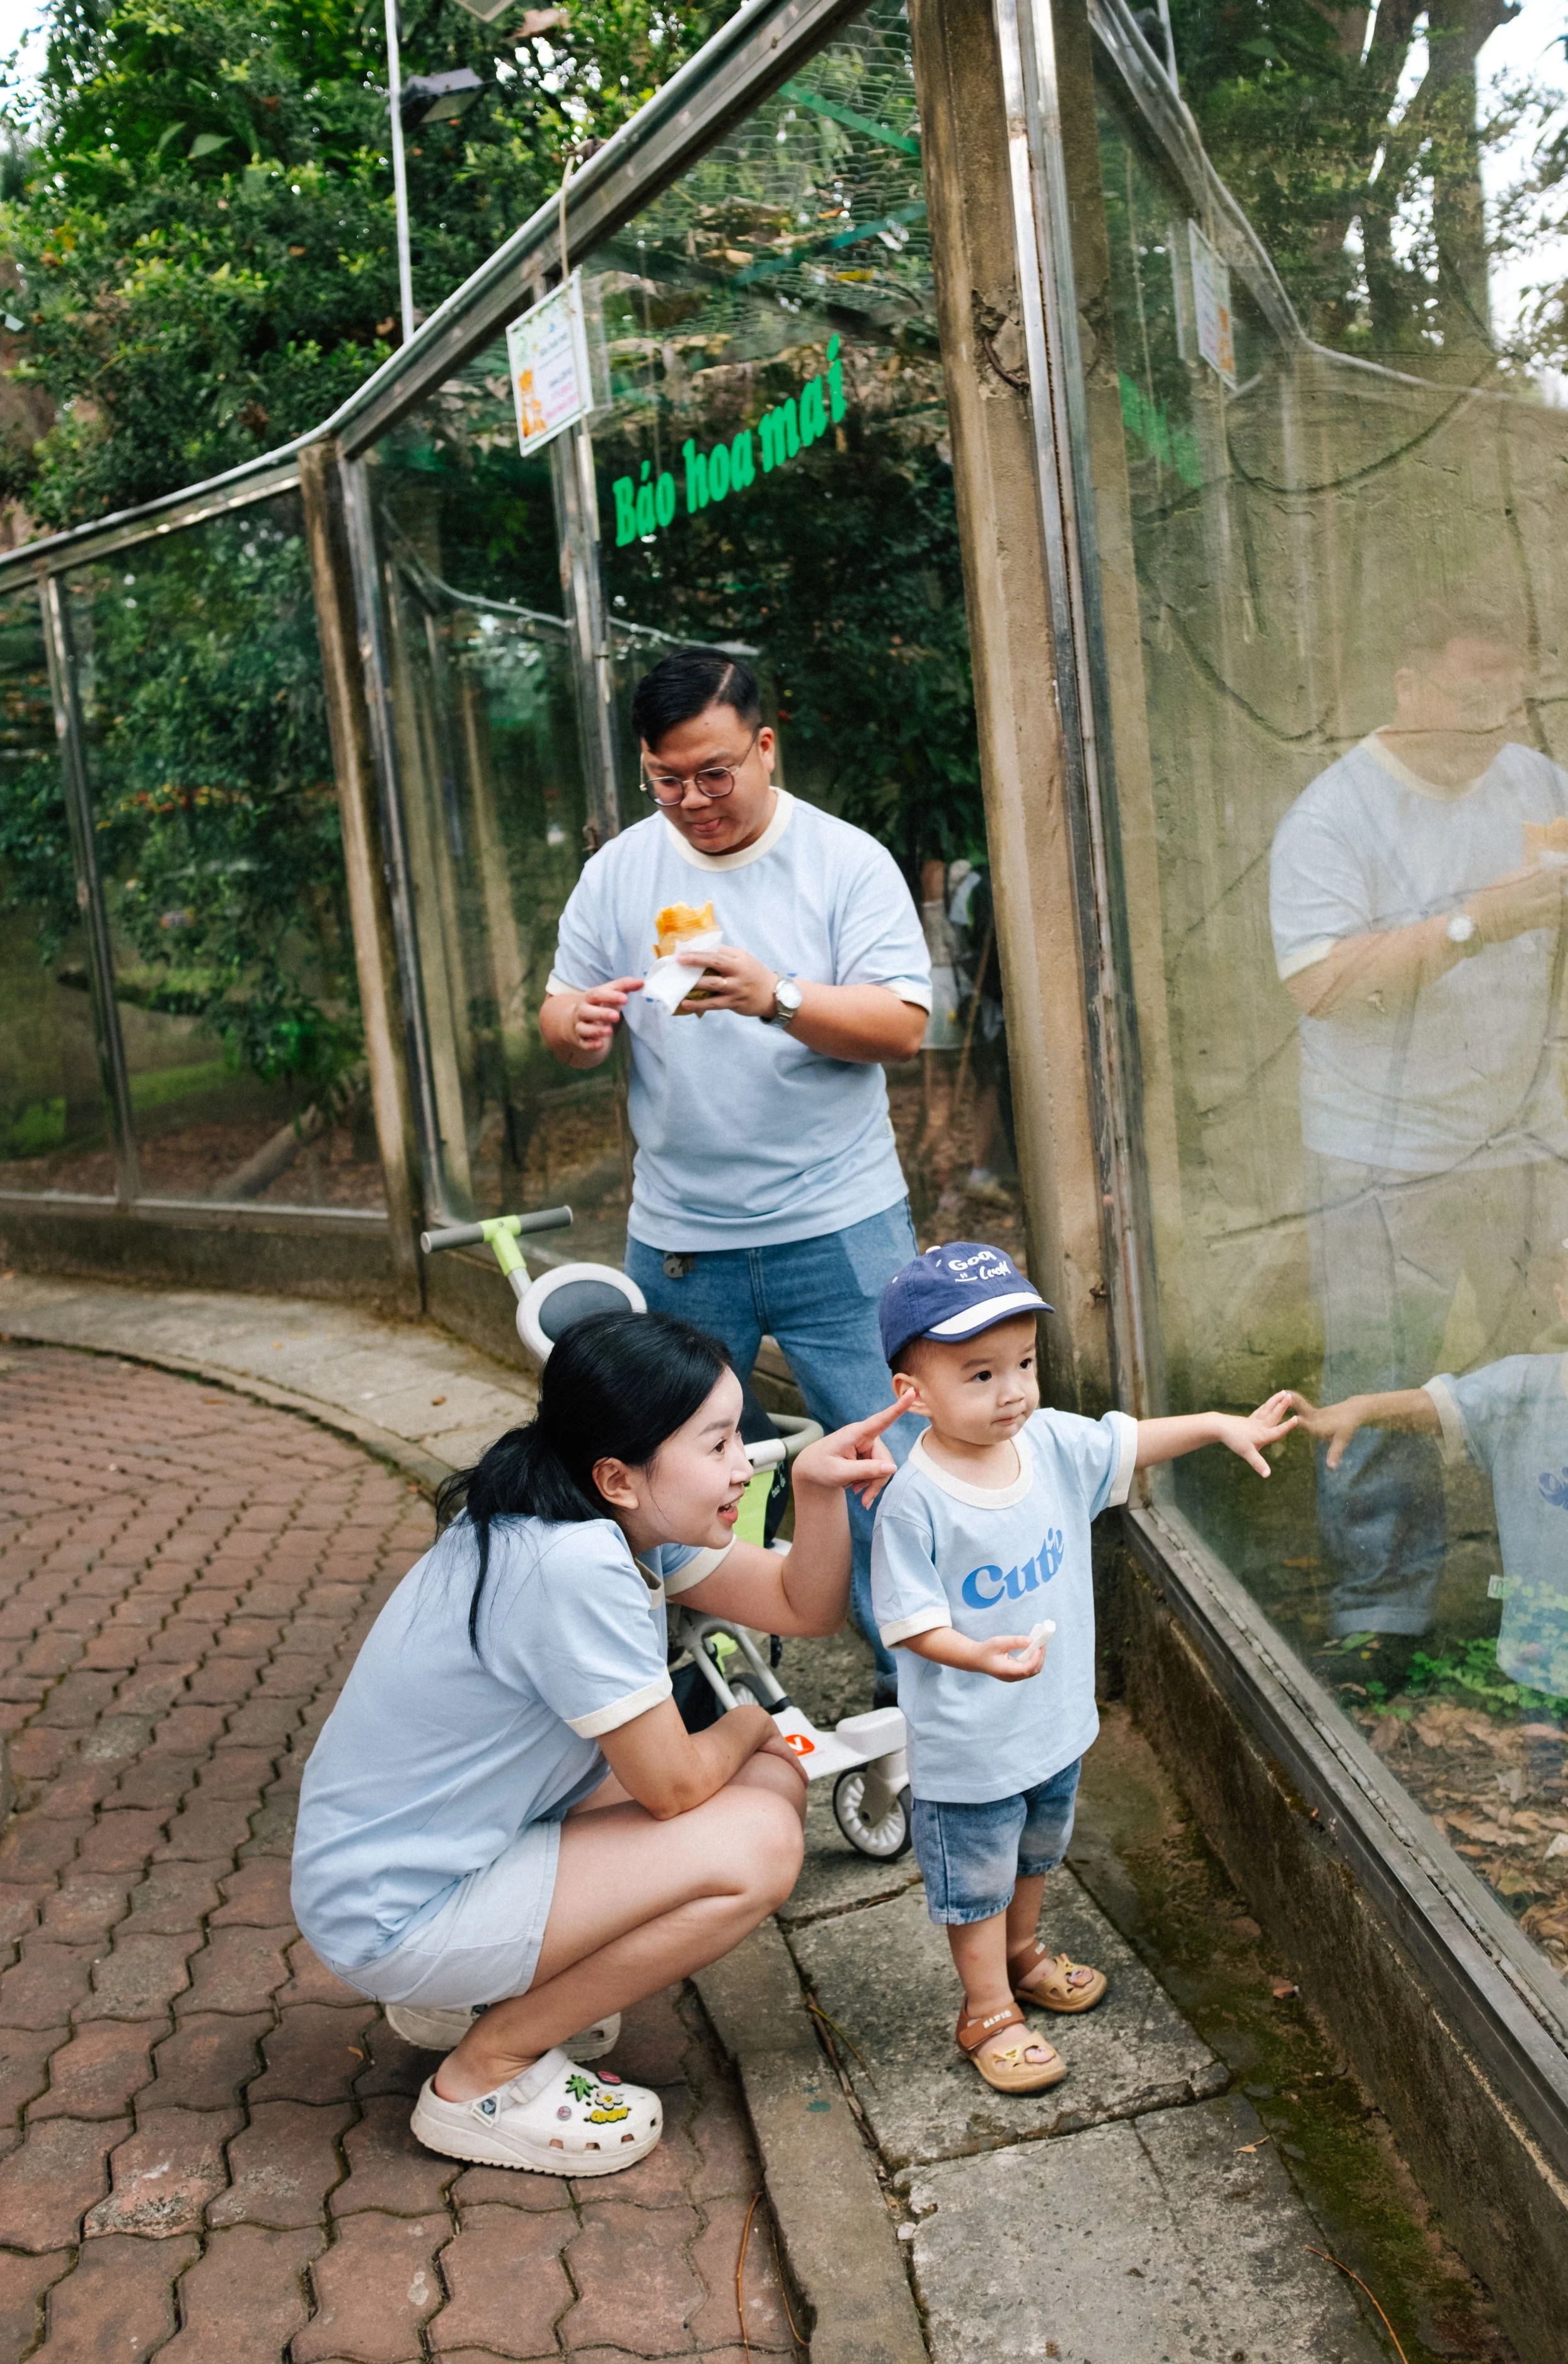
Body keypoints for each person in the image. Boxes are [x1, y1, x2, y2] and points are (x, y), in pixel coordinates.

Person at [290, 1309, 909, 2177]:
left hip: (440, 1850)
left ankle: (487, 1994)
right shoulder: (574, 1563)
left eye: (741, 1437)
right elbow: (673, 1788)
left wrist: (816, 1491)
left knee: (767, 1786)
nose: (743, 1464)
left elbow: (802, 1609)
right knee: (761, 1840)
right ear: (620, 1473)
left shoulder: (584, 1506)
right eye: (720, 1442)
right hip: (396, 1909)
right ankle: (488, 2071)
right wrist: (754, 1721)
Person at [539, 645, 931, 1701]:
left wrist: (781, 998)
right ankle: (696, 1681)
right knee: (659, 1480)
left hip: (841, 1229)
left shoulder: (845, 862)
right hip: (679, 1242)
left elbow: (902, 1023)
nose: (693, 801)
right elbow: (562, 1008)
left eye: (715, 773)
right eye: (667, 779)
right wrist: (573, 1029)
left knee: (892, 1475)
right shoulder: (621, 868)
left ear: (766, 747)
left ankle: (928, 1684)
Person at [870, 1242, 1295, 2094]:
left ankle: (1023, 1958)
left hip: (1053, 1723)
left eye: (1023, 1363)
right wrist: (977, 1653)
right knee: (977, 1880)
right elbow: (910, 1621)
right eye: (981, 1374)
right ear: (911, 1395)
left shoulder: (1052, 1443)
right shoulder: (914, 1498)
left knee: (1035, 1854)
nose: (1014, 1389)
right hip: (971, 1746)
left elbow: (1127, 1441)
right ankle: (986, 2007)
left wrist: (1218, 1424)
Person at [1269, 601, 1568, 1677]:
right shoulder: (1336, 813)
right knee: (1381, 1371)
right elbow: (1319, 983)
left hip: (1527, 1135)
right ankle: (1382, 1613)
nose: (1488, 719)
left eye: (1506, 697)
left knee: (1547, 1372)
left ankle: (1548, 1589)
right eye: (1462, 696)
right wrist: (1473, 921)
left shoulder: (1538, 783)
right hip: (1380, 1153)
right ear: (1405, 688)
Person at [1289, 1236, 1568, 1749]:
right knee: (1550, 1767)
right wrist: (1360, 1408)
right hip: (1545, 1649)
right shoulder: (1526, 1388)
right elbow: (1441, 1406)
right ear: (1562, 1299)